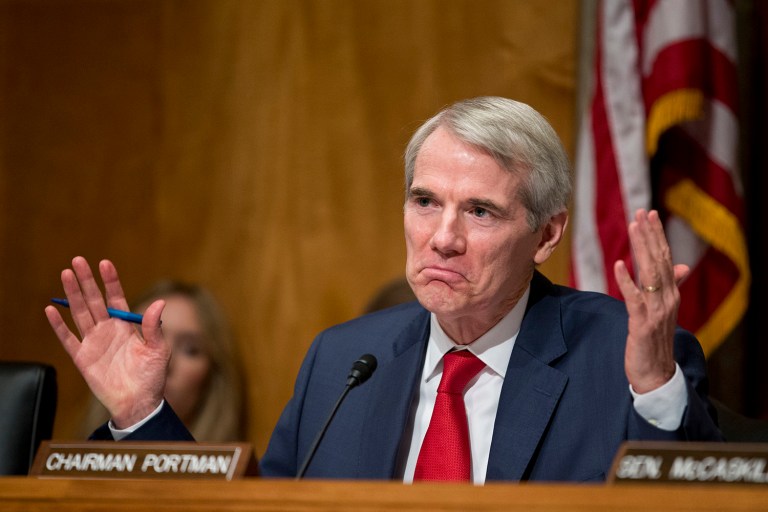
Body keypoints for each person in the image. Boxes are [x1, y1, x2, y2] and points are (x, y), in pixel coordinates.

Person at [45, 97, 722, 483]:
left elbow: (690, 499)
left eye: (479, 212)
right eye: (425, 202)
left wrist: (655, 390)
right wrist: (141, 414)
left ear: (547, 235)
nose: (443, 237)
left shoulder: (624, 356)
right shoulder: (344, 362)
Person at [79, 280, 246, 442]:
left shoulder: (239, 470)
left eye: (190, 350)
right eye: (144, 339)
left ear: (213, 377)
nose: (164, 361)